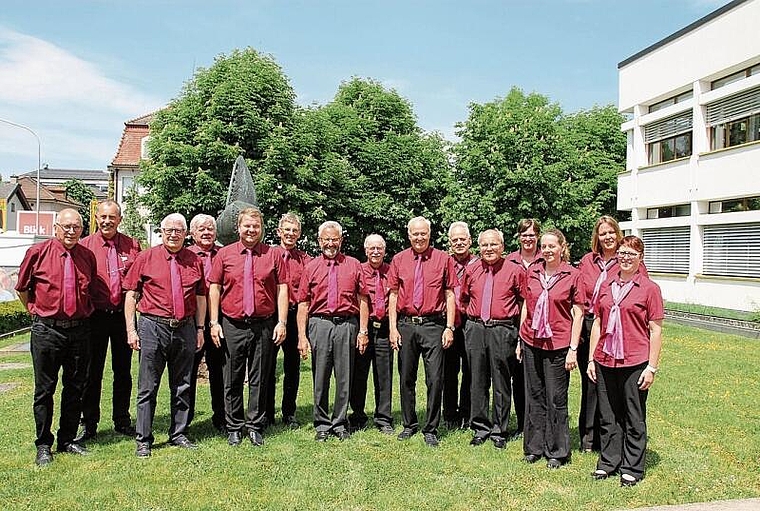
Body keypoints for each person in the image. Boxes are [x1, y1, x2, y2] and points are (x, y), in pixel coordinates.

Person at [16, 208, 97, 465]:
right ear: (56, 228)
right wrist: (34, 310)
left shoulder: (87, 256)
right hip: (47, 330)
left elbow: (91, 288)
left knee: (75, 387)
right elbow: (22, 288)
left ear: (82, 229)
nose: (72, 231)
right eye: (67, 226)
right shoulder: (37, 253)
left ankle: (68, 439)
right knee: (45, 390)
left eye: (77, 227)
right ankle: (43, 444)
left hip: (79, 330)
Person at [124, 213, 207, 458]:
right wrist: (131, 329)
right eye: (169, 230)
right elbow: (131, 294)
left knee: (182, 384)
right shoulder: (146, 258)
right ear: (161, 231)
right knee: (148, 386)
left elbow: (201, 296)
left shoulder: (194, 260)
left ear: (185, 234)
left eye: (178, 230)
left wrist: (200, 328)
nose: (173, 234)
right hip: (152, 327)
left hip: (185, 328)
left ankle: (179, 433)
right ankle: (144, 439)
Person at [587, 235, 663, 487]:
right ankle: (609, 461)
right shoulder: (607, 285)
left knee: (633, 415)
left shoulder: (649, 288)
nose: (625, 258)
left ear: (640, 257)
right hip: (606, 359)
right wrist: (591, 359)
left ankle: (632, 466)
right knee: (608, 415)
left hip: (634, 361)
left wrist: (651, 367)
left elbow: (655, 330)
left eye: (631, 253)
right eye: (621, 253)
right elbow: (597, 322)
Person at [208, 207, 288, 447]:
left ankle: (255, 425)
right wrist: (214, 322)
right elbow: (214, 288)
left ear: (261, 229)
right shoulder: (224, 255)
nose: (251, 230)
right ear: (238, 228)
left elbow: (283, 288)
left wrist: (282, 321)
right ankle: (234, 426)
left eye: (256, 226)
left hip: (263, 324)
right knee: (231, 377)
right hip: (232, 324)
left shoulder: (273, 255)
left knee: (260, 377)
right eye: (247, 226)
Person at [576, 216, 649, 453]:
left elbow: (643, 295)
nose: (607, 237)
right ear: (596, 237)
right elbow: (578, 294)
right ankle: (589, 438)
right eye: (602, 233)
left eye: (611, 232)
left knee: (612, 388)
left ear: (617, 234)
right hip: (591, 325)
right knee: (591, 383)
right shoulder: (587, 261)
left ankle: (616, 437)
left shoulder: (627, 259)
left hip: (618, 328)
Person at [297, 221, 369, 442]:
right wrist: (302, 336)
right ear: (320, 241)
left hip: (347, 324)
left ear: (341, 240)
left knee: (344, 377)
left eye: (334, 239)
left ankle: (339, 422)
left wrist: (363, 330)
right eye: (326, 239)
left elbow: (363, 299)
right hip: (320, 324)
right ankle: (321, 423)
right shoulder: (310, 267)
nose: (330, 243)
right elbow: (303, 303)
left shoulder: (354, 264)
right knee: (320, 376)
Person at [388, 216, 457, 447]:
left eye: (423, 233)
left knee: (435, 379)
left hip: (433, 325)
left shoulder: (443, 259)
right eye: (415, 234)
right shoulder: (399, 260)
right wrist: (393, 328)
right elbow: (394, 295)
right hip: (406, 324)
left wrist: (449, 327)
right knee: (406, 376)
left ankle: (431, 428)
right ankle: (409, 424)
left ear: (430, 234)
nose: (419, 237)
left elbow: (449, 294)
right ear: (409, 235)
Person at [519, 228, 584, 468]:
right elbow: (527, 305)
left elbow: (578, 314)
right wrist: (520, 338)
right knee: (534, 395)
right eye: (543, 246)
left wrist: (573, 349)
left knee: (556, 398)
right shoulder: (533, 272)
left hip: (558, 344)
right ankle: (534, 447)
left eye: (551, 246)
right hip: (532, 341)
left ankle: (557, 450)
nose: (547, 250)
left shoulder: (573, 275)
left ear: (561, 247)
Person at [77, 200, 141, 442]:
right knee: (91, 373)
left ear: (119, 219)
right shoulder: (85, 246)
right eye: (102, 217)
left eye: (111, 217)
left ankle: (122, 420)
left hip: (122, 317)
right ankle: (89, 423)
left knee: (123, 371)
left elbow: (137, 282)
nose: (106, 221)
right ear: (96, 218)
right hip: (94, 318)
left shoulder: (132, 245)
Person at [460, 229, 522, 449]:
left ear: (502, 246)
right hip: (476, 328)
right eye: (485, 245)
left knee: (501, 380)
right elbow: (464, 299)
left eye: (493, 244)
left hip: (502, 330)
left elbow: (523, 302)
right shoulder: (472, 270)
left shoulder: (514, 270)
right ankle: (480, 427)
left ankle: (499, 430)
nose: (489, 249)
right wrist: (472, 322)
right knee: (477, 379)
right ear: (479, 247)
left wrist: (518, 333)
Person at [266, 213, 311, 429]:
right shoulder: (269, 255)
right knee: (268, 365)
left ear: (299, 234)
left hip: (295, 317)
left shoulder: (305, 260)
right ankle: (266, 412)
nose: (290, 234)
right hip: (272, 317)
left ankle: (289, 412)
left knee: (292, 367)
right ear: (279, 232)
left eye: (294, 230)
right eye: (287, 230)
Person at [348, 234, 394, 434]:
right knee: (359, 374)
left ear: (384, 251)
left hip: (384, 329)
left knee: (384, 375)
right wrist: (362, 330)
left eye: (379, 248)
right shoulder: (358, 270)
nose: (376, 252)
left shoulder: (391, 271)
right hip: (363, 328)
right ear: (366, 251)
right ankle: (357, 416)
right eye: (372, 248)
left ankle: (383, 418)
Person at [186, 214, 225, 434]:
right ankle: (185, 419)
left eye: (210, 228)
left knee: (220, 371)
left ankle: (221, 416)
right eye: (201, 229)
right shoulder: (186, 255)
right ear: (192, 233)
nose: (207, 232)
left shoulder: (224, 254)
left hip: (220, 321)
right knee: (188, 372)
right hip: (192, 321)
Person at [504, 218, 541, 438]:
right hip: (513, 325)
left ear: (537, 236)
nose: (528, 239)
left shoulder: (545, 259)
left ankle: (537, 423)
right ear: (518, 237)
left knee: (535, 378)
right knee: (517, 377)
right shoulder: (509, 261)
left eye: (532, 235)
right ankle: (521, 424)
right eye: (524, 235)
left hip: (539, 326)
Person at [444, 221, 477, 430]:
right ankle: (449, 414)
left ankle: (467, 412)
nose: (459, 243)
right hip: (448, 323)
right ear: (450, 242)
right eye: (455, 240)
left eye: (462, 239)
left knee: (471, 370)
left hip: (470, 323)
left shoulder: (478, 264)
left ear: (470, 241)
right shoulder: (444, 263)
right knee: (449, 370)